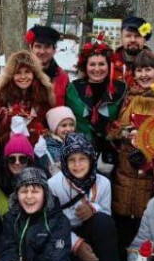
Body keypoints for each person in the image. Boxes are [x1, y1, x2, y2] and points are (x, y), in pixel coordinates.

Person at [47, 133, 121, 261]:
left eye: (82, 159)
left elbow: (106, 214)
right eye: (71, 159)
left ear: (91, 159)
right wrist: (76, 244)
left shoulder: (103, 183)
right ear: (64, 161)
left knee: (103, 222)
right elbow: (52, 222)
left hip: (91, 230)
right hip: (65, 234)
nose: (77, 165)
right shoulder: (54, 185)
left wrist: (93, 207)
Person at [109, 49, 154, 252]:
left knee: (146, 220)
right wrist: (125, 134)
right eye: (139, 70)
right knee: (124, 218)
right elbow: (114, 128)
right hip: (125, 169)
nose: (144, 75)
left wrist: (148, 139)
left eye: (148, 69)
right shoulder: (128, 96)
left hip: (150, 171)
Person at [65, 35, 126, 170]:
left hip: (110, 155)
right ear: (85, 66)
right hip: (80, 153)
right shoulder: (74, 88)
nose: (97, 69)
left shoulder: (120, 89)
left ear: (108, 66)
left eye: (101, 64)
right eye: (92, 64)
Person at [0, 50, 54, 151]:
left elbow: (53, 135)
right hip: (6, 160)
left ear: (35, 74)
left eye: (27, 72)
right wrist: (6, 139)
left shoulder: (43, 101)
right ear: (11, 76)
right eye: (18, 73)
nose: (23, 77)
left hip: (37, 160)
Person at [27, 24, 69, 105]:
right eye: (38, 46)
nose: (42, 51)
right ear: (31, 49)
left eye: (47, 47)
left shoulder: (63, 77)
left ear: (54, 50)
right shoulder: (21, 74)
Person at [36, 106, 76, 175]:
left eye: (71, 125)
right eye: (64, 125)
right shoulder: (49, 148)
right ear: (54, 128)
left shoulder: (75, 143)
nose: (69, 129)